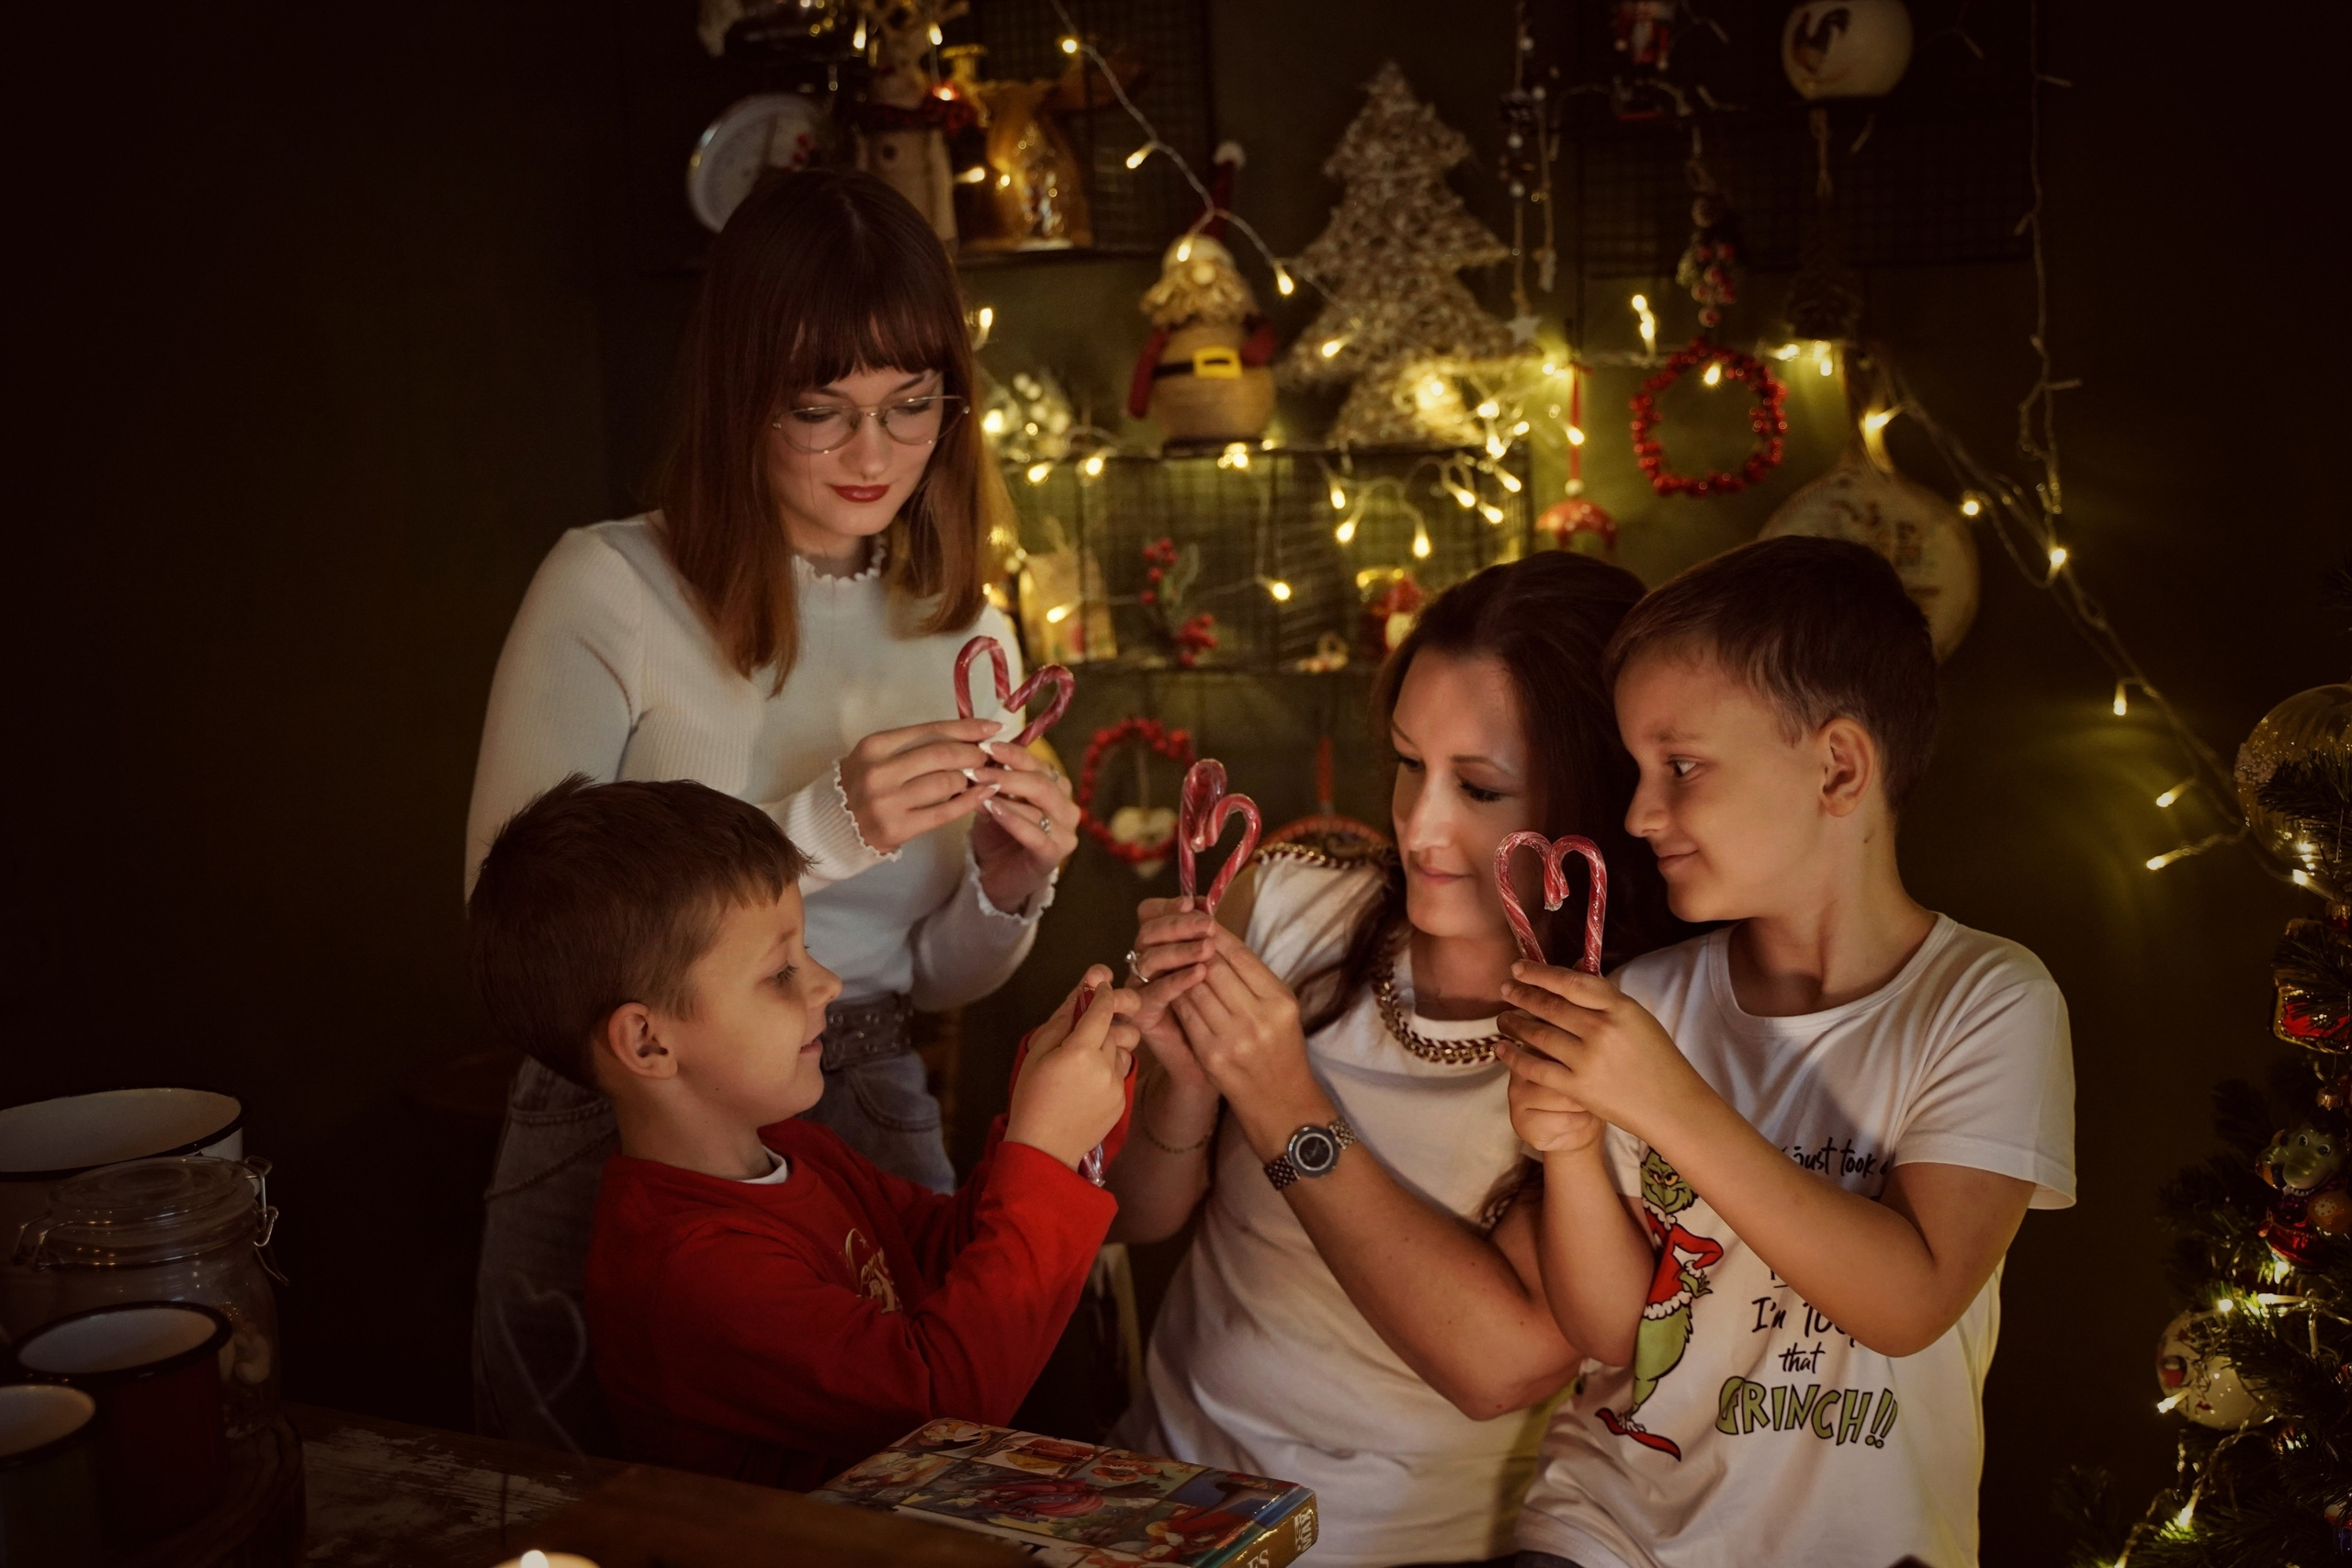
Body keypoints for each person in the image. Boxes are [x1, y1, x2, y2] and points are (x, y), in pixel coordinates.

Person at [464, 169, 1080, 1452]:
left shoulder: (967, 625)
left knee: (908, 1491)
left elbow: (936, 975)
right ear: (741, 390)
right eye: (823, 409)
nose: (875, 456)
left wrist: (1008, 884)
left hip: (861, 1085)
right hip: (628, 1112)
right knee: (583, 1502)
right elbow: (512, 920)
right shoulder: (610, 583)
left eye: (913, 408)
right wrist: (820, 827)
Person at [1497, 537, 2075, 1568]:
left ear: (1837, 767)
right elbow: (1611, 1333)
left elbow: (1907, 1301)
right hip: (1606, 1527)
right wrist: (1569, 1148)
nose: (1637, 815)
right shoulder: (1646, 1002)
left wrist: (1665, 1102)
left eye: (1679, 767)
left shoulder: (1987, 1002)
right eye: (1637, 772)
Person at [1110, 554, 1685, 1568]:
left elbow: (1499, 1366)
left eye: (1479, 787)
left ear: (1589, 800)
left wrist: (1283, 1101)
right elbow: (1139, 1214)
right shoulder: (1281, 905)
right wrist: (1190, 1079)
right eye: (1409, 763)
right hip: (1159, 1502)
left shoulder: (1628, 1032)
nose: (1421, 827)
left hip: (1389, 1547)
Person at [466, 775, 1137, 1486]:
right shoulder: (687, 1266)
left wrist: (1048, 1124)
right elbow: (942, 1410)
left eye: (806, 950)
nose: (828, 984)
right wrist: (1043, 1150)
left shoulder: (797, 1149)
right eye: (780, 971)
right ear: (649, 1042)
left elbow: (950, 1256)